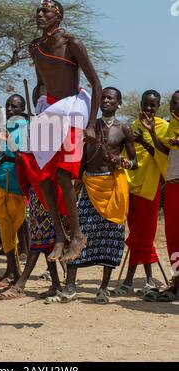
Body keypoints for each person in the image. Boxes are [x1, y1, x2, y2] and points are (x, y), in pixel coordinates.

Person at [17, 0, 102, 263]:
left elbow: (96, 84)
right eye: (38, 11)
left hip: (74, 110)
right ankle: (60, 236)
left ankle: (77, 235)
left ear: (58, 16)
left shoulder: (71, 43)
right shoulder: (36, 47)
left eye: (46, 11)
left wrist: (90, 124)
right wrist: (38, 102)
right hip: (49, 110)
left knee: (65, 175)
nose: (40, 14)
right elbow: (42, 82)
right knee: (41, 176)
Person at [50, 87, 137, 304]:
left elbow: (134, 163)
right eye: (104, 97)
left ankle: (103, 288)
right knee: (81, 233)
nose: (106, 100)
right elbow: (78, 158)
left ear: (119, 103)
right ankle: (70, 287)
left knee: (112, 236)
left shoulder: (124, 128)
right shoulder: (89, 126)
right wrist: (76, 180)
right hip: (90, 184)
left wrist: (123, 162)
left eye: (111, 98)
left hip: (114, 187)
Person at [113, 90, 168, 296]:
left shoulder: (163, 127)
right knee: (136, 234)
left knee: (142, 235)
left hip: (150, 187)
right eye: (145, 104)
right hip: (131, 185)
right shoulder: (132, 126)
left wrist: (147, 140)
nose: (148, 108)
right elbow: (127, 156)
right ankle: (146, 280)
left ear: (158, 106)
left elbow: (163, 156)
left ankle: (131, 279)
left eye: (152, 105)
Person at [138, 90, 179, 302]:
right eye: (172, 103)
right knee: (173, 237)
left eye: (177, 103)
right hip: (173, 185)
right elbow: (165, 150)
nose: (173, 106)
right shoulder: (171, 125)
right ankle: (177, 282)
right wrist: (152, 133)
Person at [0, 186, 68, 300]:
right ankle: (55, 284)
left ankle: (20, 285)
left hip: (45, 191)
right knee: (45, 239)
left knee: (40, 239)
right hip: (35, 192)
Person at [0, 95, 27, 291]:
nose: (10, 110)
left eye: (14, 106)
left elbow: (24, 156)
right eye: (8, 106)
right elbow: (0, 153)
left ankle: (14, 272)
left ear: (23, 108)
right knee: (4, 226)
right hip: (1, 180)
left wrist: (10, 142)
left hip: (18, 184)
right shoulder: (2, 128)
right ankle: (11, 270)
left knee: (15, 225)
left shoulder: (27, 128)